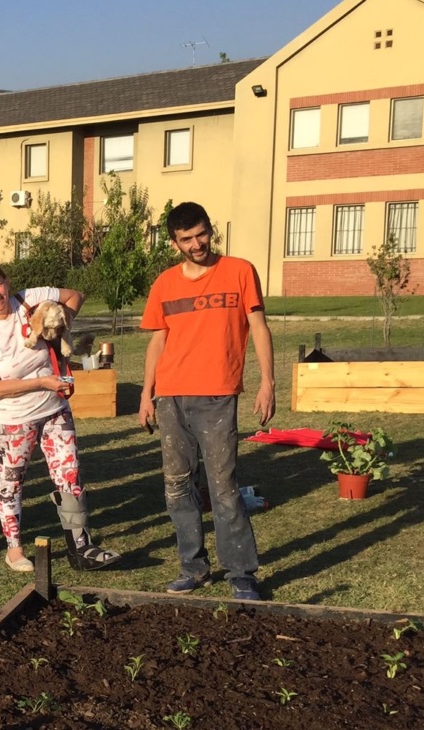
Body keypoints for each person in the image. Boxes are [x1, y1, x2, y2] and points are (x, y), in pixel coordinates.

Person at [138, 201, 275, 602]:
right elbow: (157, 340)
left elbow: (258, 326)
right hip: (171, 396)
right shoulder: (165, 283)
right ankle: (193, 568)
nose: (197, 244)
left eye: (202, 234)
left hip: (217, 394)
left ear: (209, 229)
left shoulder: (239, 271)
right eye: (187, 239)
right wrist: (146, 394)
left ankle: (241, 573)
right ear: (174, 242)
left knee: (223, 485)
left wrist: (268, 382)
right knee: (178, 486)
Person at [0, 263, 122, 573]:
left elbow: (75, 295)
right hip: (13, 419)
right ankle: (14, 549)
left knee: (70, 475)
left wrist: (63, 324)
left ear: (7, 282)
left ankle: (80, 547)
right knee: (12, 481)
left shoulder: (28, 300)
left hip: (54, 408)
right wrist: (41, 382)